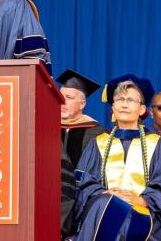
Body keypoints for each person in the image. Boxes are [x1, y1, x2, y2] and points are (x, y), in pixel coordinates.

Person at [73, 74, 161, 240]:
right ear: (113, 107)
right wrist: (106, 193)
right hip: (102, 214)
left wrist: (142, 200)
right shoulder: (97, 144)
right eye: (120, 99)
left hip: (145, 218)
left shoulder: (158, 145)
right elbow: (84, 185)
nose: (124, 104)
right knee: (109, 209)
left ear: (142, 109)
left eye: (130, 100)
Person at [57, 69, 105, 239]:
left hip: (83, 200)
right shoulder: (43, 126)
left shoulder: (98, 133)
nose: (62, 101)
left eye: (69, 98)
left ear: (82, 104)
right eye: (59, 95)